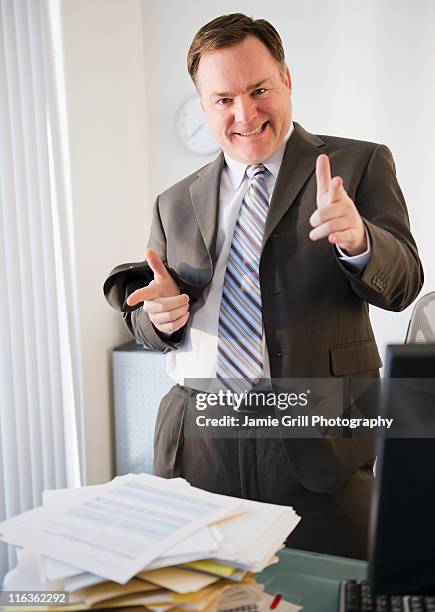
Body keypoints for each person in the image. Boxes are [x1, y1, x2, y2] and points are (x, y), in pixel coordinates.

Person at [104, 13, 423, 559]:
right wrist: (154, 321)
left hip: (317, 440)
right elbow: (153, 306)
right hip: (199, 442)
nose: (245, 114)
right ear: (204, 106)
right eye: (223, 99)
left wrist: (359, 240)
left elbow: (404, 284)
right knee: (202, 591)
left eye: (258, 90)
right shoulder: (174, 201)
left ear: (287, 81)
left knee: (328, 589)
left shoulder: (357, 163)